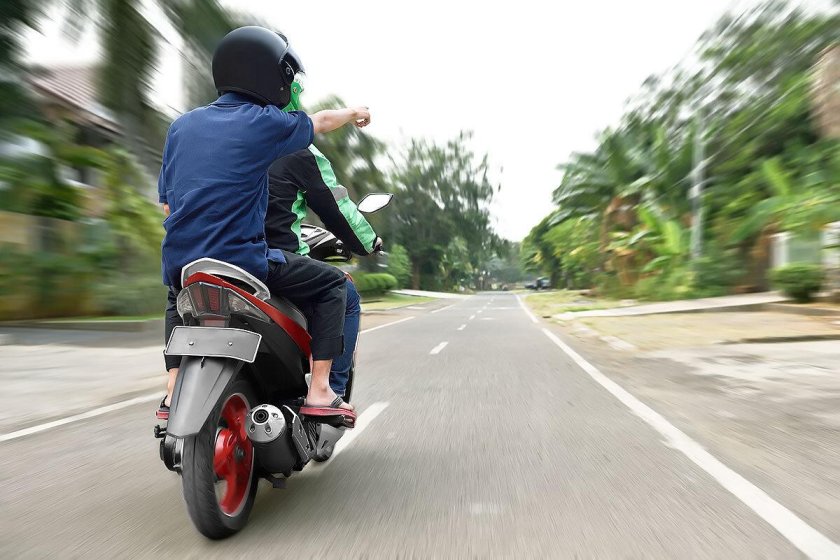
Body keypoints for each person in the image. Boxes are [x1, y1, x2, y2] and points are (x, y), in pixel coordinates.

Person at [156, 26, 368, 419]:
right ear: (269, 75)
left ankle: (173, 389)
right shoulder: (265, 122)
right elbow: (318, 122)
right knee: (334, 285)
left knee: (174, 297)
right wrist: (355, 112)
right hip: (244, 261)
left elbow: (167, 208)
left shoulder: (180, 127)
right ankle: (321, 390)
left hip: (182, 264)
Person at [265, 77, 381, 398]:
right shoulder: (296, 147)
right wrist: (369, 243)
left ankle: (172, 387)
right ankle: (330, 393)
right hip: (275, 260)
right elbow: (337, 208)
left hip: (213, 255)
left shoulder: (226, 141)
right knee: (342, 291)